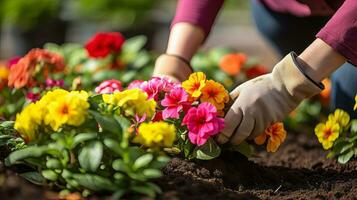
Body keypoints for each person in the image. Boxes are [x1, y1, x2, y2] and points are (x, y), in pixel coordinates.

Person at [153, 0, 357, 145]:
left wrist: (287, 85)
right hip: (285, 13)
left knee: (349, 108)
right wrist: (176, 60)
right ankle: (323, 75)